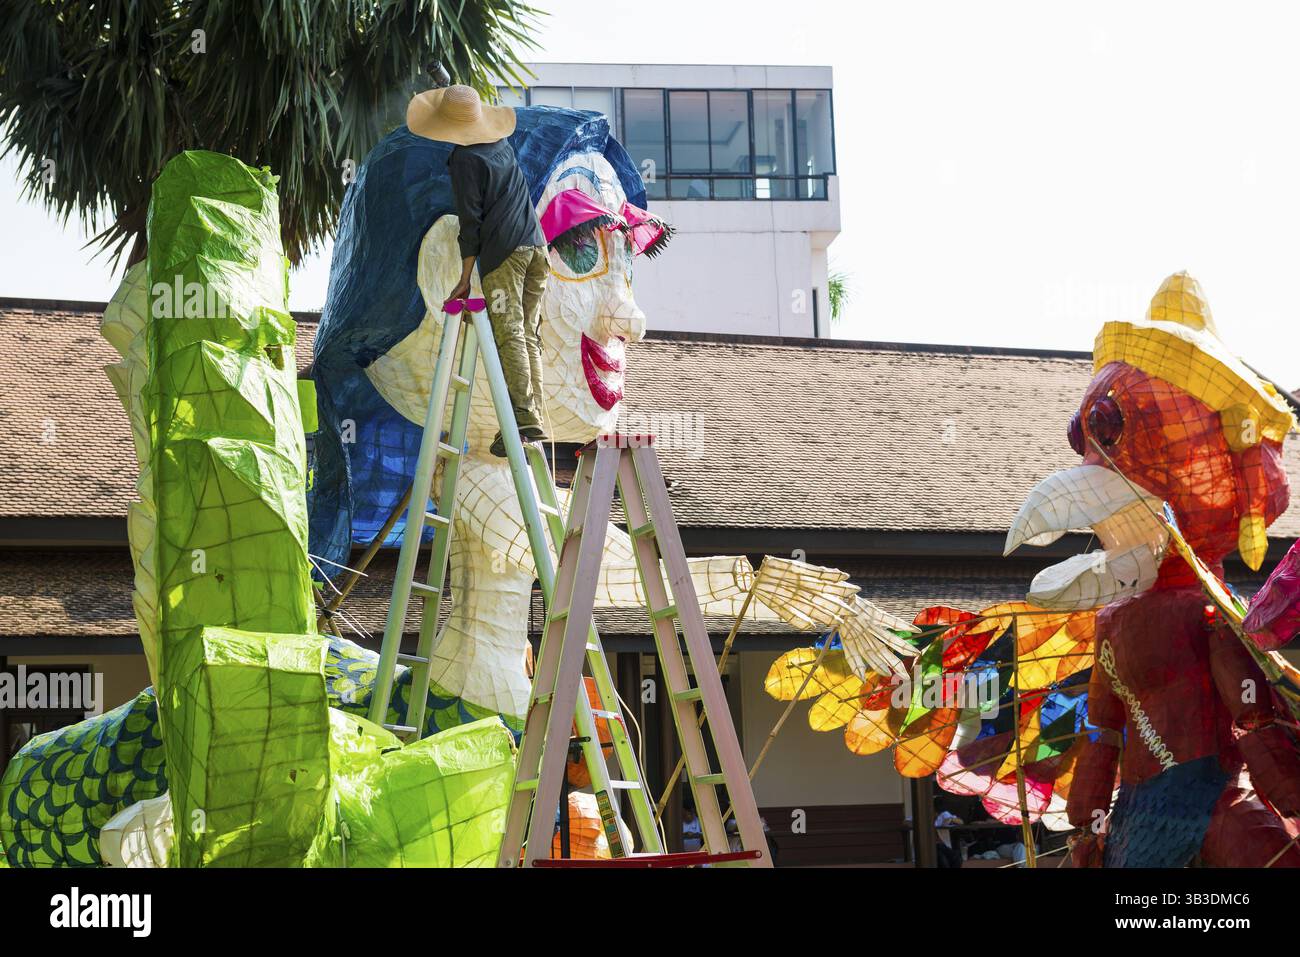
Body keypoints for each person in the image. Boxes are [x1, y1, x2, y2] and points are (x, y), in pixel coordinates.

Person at [407, 84, 549, 458]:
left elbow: (471, 223)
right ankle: (533, 416)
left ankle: (521, 419)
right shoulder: (500, 144)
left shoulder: (464, 161)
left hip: (506, 254)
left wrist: (464, 278)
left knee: (510, 334)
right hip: (537, 248)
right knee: (527, 335)